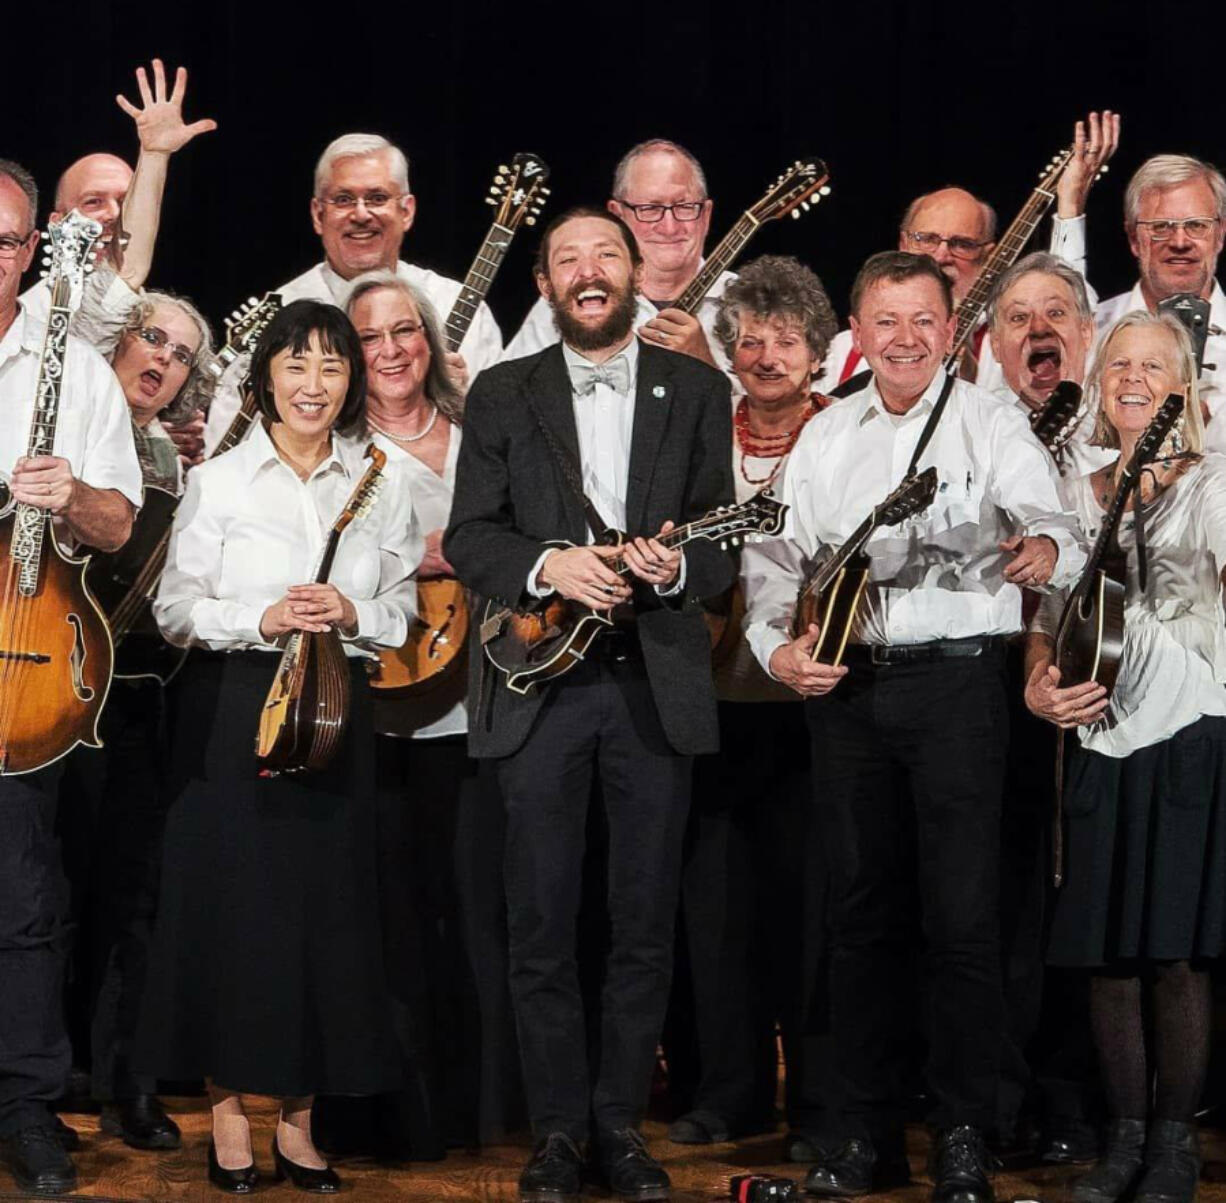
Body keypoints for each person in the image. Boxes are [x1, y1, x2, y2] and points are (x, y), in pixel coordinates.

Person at [743, 251, 1085, 1203]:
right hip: (851, 694)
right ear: (858, 331)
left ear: (952, 331)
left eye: (921, 320)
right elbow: (775, 557)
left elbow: (1057, 523)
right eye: (884, 321)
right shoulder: (825, 434)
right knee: (858, 920)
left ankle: (968, 1132)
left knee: (964, 922)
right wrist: (777, 648)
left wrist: (1044, 547)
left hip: (959, 694)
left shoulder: (991, 419)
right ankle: (866, 1137)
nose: (902, 338)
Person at [445, 206, 734, 1202]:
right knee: (540, 923)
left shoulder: (696, 389)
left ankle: (620, 1127)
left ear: (636, 268)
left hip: (653, 685)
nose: (587, 272)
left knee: (643, 925)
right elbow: (471, 538)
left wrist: (667, 571)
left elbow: (721, 546)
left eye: (603, 254)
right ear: (545, 284)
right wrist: (547, 564)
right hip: (539, 686)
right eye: (566, 259)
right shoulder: (500, 392)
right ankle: (557, 1133)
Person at [134, 300, 421, 1194]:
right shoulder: (220, 482)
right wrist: (260, 615)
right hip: (237, 705)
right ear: (265, 377)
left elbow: (404, 610)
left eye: (332, 367)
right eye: (297, 364)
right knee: (232, 913)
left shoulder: (382, 478)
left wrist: (351, 612)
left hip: (336, 706)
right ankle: (226, 1119)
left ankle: (299, 1125)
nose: (314, 383)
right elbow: (175, 609)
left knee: (321, 917)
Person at [306, 270, 521, 1158]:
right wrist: (423, 556)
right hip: (378, 707)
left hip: (486, 699)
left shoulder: (483, 430)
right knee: (384, 913)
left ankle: (482, 1109)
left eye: (406, 331)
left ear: (431, 342)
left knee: (475, 910)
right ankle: (389, 1114)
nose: (390, 350)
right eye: (367, 337)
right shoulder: (334, 450)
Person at [1026, 311, 1225, 1203]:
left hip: (1191, 720)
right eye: (1119, 366)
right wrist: (1037, 683)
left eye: (1155, 366)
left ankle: (1176, 1143)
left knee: (1173, 950)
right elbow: (1049, 618)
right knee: (1106, 948)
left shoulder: (1214, 482)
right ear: (1100, 383)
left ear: (1186, 386)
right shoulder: (1073, 486)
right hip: (1101, 722)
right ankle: (1124, 1140)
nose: (1134, 379)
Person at [665, 254, 838, 1153]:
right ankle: (729, 1091)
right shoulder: (701, 431)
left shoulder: (844, 434)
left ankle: (815, 1099)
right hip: (713, 703)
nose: (767, 354)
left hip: (814, 707)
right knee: (718, 908)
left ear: (819, 351)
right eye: (750, 338)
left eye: (787, 339)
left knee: (810, 909)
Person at [0, 158, 142, 1197]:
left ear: (34, 254)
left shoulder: (76, 371)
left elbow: (120, 523)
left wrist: (73, 491)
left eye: (7, 241)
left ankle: (24, 1102)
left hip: (22, 667)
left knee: (21, 898)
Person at [202, 133, 502, 454]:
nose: (360, 214)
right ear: (318, 215)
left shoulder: (455, 304)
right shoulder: (276, 316)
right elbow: (225, 451)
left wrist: (460, 402)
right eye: (343, 199)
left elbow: (508, 432)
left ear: (407, 211)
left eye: (376, 198)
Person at [816, 112, 1119, 395]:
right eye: (926, 239)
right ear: (903, 242)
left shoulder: (1008, 342)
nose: (940, 255)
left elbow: (1067, 311)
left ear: (989, 256)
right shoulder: (848, 348)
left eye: (961, 244)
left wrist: (1068, 208)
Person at [503, 139, 734, 368]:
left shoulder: (748, 301)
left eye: (684, 207)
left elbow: (765, 404)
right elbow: (508, 394)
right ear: (618, 216)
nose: (669, 227)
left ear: (706, 215)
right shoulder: (570, 299)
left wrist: (705, 361)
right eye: (650, 209)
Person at [1079, 155, 1226, 423]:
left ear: (1220, 234)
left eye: (1196, 225)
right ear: (1134, 238)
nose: (1180, 242)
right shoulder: (1090, 334)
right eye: (1161, 227)